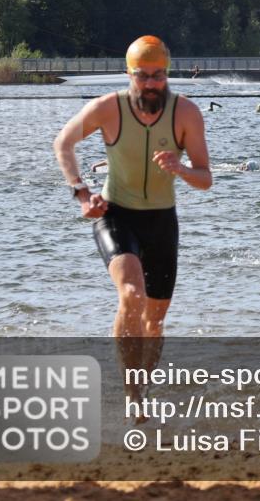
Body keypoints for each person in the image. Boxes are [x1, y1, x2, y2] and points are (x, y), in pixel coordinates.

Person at [53, 35, 212, 411]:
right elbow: (63, 143)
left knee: (154, 324)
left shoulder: (186, 113)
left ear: (168, 74)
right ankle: (133, 392)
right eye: (143, 76)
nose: (152, 84)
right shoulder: (109, 108)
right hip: (116, 214)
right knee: (131, 294)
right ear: (129, 74)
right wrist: (80, 192)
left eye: (159, 75)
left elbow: (206, 178)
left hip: (161, 221)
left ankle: (143, 386)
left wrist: (181, 168)